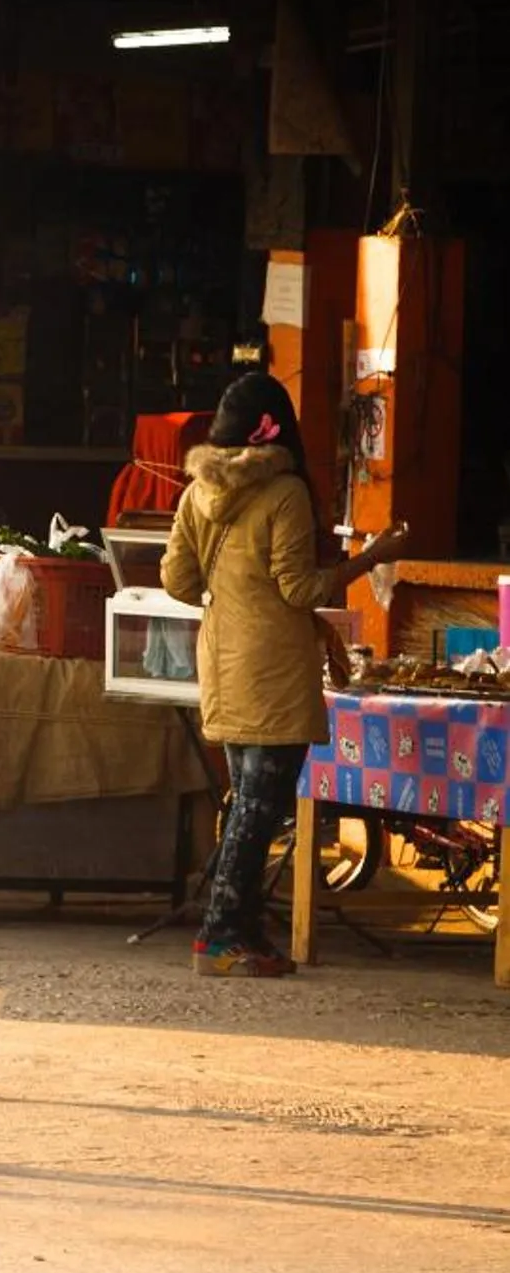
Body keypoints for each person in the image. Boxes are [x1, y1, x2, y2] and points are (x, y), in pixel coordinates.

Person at [161, 373, 404, 978]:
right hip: (272, 666)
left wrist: (235, 595)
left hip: (224, 657)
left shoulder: (198, 491)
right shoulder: (285, 493)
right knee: (260, 807)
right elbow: (300, 588)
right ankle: (219, 936)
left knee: (247, 800)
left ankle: (236, 928)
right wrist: (372, 558)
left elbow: (178, 581)